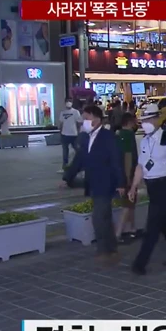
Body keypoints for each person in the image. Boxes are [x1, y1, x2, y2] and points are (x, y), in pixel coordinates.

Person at [127, 105, 166, 275]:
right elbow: (141, 165)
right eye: (142, 120)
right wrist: (133, 186)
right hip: (152, 186)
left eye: (147, 120)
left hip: (165, 185)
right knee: (165, 222)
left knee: (152, 225)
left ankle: (140, 263)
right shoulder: (145, 140)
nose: (144, 124)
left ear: (156, 119)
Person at [61, 105, 125, 265]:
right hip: (93, 183)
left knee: (98, 218)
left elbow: (117, 161)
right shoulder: (85, 137)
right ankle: (112, 249)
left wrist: (121, 183)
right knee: (105, 217)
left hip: (106, 183)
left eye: (86, 119)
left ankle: (103, 251)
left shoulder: (108, 137)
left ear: (96, 119)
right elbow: (78, 160)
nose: (84, 122)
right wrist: (67, 177)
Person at [115, 112, 139, 243]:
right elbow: (129, 157)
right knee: (128, 203)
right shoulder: (129, 135)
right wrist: (130, 178)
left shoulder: (118, 134)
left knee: (131, 203)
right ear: (129, 122)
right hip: (128, 175)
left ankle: (132, 228)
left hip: (120, 174)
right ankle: (118, 233)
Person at [59, 97, 83, 171]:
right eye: (67, 101)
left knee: (78, 151)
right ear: (65, 102)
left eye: (70, 101)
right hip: (64, 134)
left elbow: (79, 123)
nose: (69, 102)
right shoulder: (62, 112)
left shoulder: (75, 112)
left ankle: (80, 165)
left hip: (74, 134)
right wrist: (60, 132)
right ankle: (64, 166)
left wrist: (79, 133)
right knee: (65, 152)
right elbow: (61, 123)